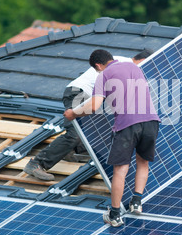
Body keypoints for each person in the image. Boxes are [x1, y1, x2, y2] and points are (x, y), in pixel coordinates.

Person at [23, 49, 154, 181]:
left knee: (103, 128)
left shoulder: (123, 64)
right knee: (75, 134)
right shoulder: (125, 65)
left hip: (91, 98)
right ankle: (37, 163)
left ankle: (70, 151)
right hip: (79, 93)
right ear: (143, 61)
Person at [64, 49, 160, 227]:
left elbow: (94, 106)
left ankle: (115, 213)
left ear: (98, 65)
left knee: (120, 170)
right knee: (143, 162)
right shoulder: (134, 68)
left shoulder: (104, 75)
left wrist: (73, 113)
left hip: (127, 125)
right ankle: (136, 202)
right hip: (151, 121)